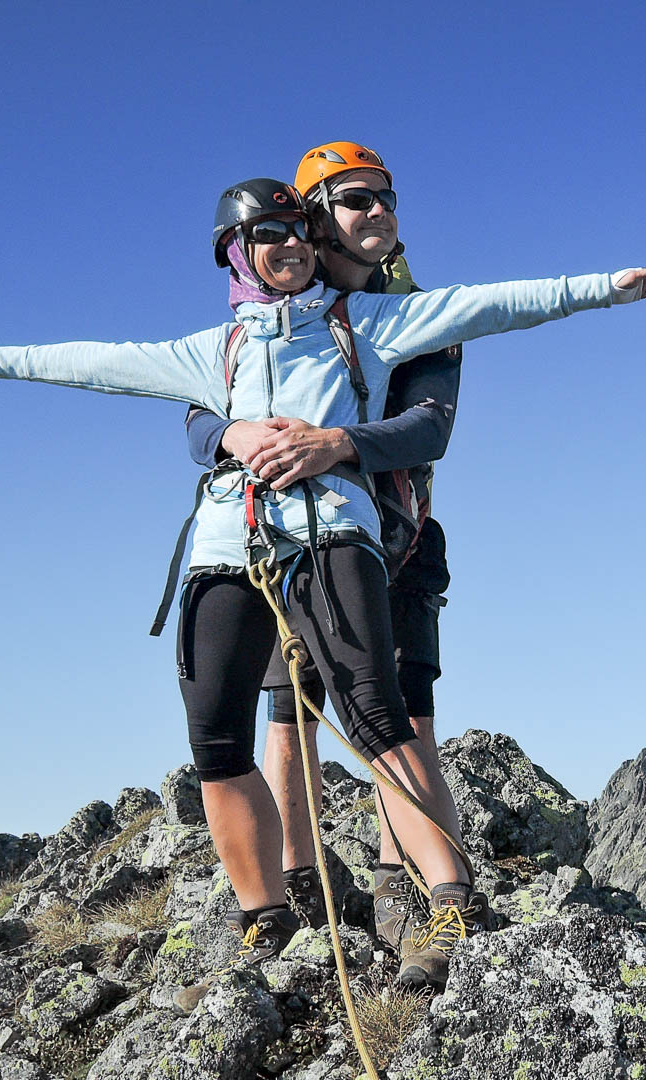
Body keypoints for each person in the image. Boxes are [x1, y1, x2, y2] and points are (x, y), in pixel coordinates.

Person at [0, 177, 646, 989]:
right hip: (227, 548)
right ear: (235, 252)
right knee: (216, 735)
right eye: (268, 234)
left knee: (373, 710)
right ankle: (265, 916)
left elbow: (489, 305)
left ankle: (453, 900)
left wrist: (608, 289)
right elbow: (97, 363)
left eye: (297, 230)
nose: (288, 245)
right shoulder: (210, 353)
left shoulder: (367, 322)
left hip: (334, 535)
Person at [185, 142, 458, 960]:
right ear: (313, 218)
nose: (379, 213)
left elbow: (430, 427)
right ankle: (305, 889)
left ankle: (410, 894)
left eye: (386, 198)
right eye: (356, 201)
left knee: (396, 715)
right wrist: (228, 432)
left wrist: (334, 443)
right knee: (290, 710)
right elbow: (202, 410)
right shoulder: (274, 309)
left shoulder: (411, 314)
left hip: (391, 538)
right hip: (278, 538)